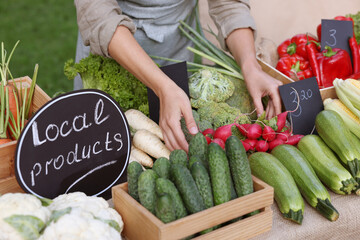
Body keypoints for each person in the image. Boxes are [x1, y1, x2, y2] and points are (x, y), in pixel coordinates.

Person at [74, 0, 283, 152]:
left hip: (180, 41)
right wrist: (163, 87)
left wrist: (249, 64)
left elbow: (228, 3)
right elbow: (99, 15)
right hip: (119, 49)